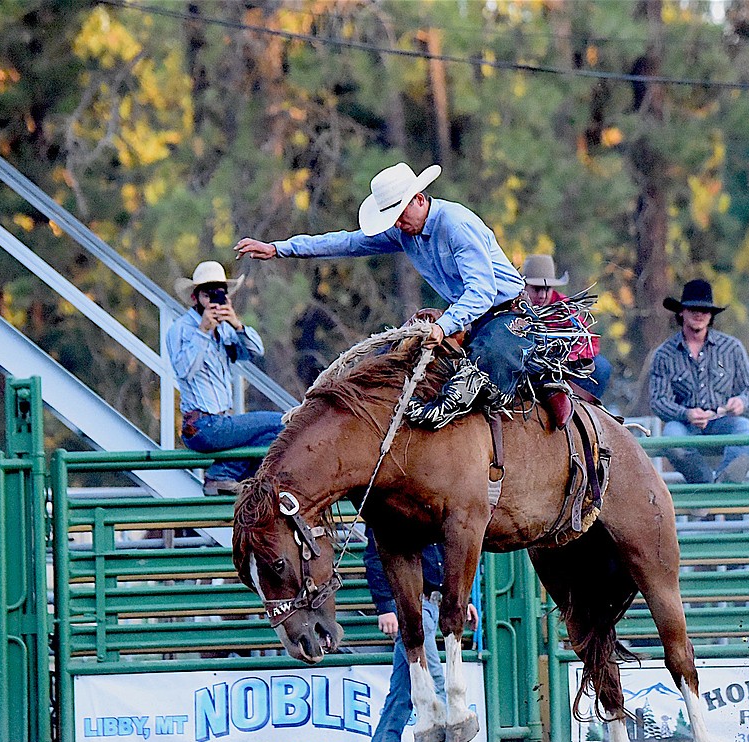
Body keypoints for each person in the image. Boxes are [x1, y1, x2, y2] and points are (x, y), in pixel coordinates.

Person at [234, 162, 532, 427]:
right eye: (392, 220)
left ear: (418, 199)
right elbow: (349, 243)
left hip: (505, 314)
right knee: (388, 359)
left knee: (477, 371)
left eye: (400, 216)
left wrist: (443, 325)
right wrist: (279, 248)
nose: (398, 226)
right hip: (466, 317)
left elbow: (481, 292)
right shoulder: (405, 230)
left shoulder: (457, 224)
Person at [363, 528, 480, 742]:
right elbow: (375, 556)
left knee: (404, 693)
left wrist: (461, 600)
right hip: (413, 605)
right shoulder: (399, 505)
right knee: (432, 681)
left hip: (431, 605)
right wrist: (385, 606)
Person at [166, 261, 284, 495]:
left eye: (220, 293)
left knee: (278, 431)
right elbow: (183, 371)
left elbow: (254, 352)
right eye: (208, 294)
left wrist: (236, 323)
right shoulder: (181, 329)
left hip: (221, 423)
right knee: (283, 422)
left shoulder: (226, 328)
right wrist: (203, 332)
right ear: (195, 297)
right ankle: (223, 474)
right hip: (201, 425)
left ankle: (233, 477)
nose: (214, 300)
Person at [648, 278, 749, 484]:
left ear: (711, 315)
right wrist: (686, 414)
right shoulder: (664, 354)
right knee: (671, 437)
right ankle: (703, 482)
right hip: (684, 425)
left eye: (705, 310)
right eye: (693, 309)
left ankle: (725, 486)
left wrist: (741, 402)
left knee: (747, 428)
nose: (699, 314)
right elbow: (658, 400)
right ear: (681, 312)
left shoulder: (732, 348)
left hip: (723, 421)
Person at [521, 253, 612, 404]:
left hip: (563, 368)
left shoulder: (564, 307)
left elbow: (590, 342)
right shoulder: (514, 308)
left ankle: (583, 408)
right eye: (537, 289)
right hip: (526, 368)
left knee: (601, 367)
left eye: (547, 289)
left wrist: (570, 359)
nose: (542, 295)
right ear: (524, 287)